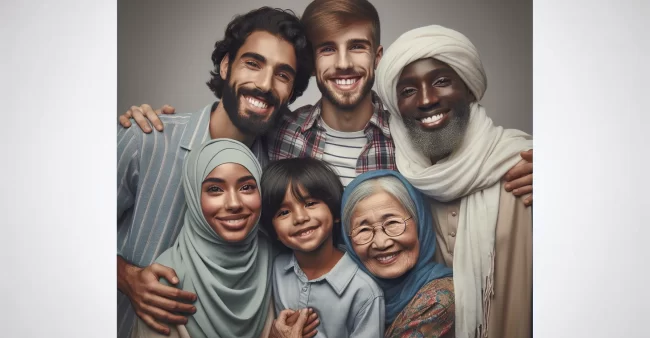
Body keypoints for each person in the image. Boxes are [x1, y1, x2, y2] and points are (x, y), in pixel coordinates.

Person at [118, 0, 534, 204]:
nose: (344, 63)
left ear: (377, 57)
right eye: (327, 50)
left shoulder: (412, 131)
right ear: (312, 63)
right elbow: (218, 144)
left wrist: (537, 165)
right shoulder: (278, 135)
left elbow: (480, 154)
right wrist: (149, 126)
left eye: (357, 47)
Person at [116, 7, 313, 338]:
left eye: (283, 75)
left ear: (292, 90)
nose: (265, 84)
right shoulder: (147, 138)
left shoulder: (274, 178)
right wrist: (125, 277)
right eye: (253, 63)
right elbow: (60, 231)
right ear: (226, 66)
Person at [375, 25, 533, 338]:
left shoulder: (525, 163)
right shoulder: (399, 181)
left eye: (442, 81)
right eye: (407, 91)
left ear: (470, 88)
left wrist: (575, 182)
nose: (427, 99)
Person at [260, 158, 385, 338]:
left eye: (310, 203)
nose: (300, 218)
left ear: (335, 212)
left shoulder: (363, 291)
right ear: (273, 231)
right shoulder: (275, 269)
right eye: (283, 212)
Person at [341, 170, 455, 338]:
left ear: (420, 223)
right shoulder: (349, 291)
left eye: (393, 223)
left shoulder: (439, 298)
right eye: (363, 230)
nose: (381, 243)